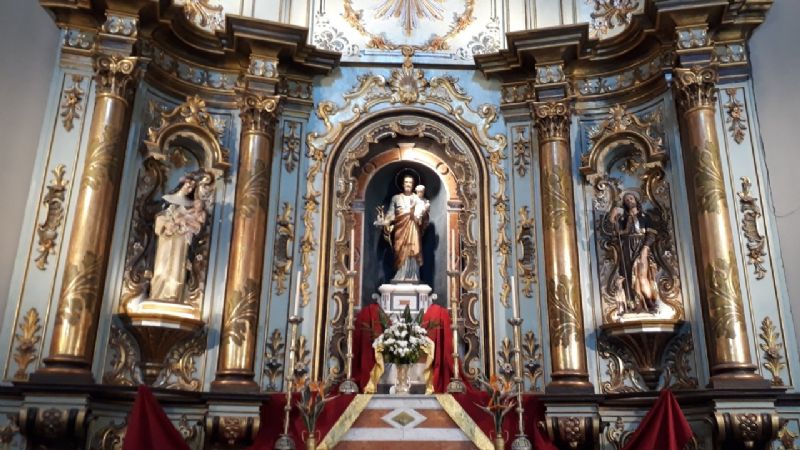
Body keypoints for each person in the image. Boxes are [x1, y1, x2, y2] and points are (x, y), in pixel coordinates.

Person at [150, 172, 212, 302]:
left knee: (178, 267)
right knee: (162, 265)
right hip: (166, 238)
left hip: (182, 239)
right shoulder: (167, 199)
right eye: (187, 185)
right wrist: (167, 224)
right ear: (181, 184)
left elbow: (198, 224)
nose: (188, 189)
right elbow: (159, 218)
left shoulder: (191, 205)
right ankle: (157, 293)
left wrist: (186, 223)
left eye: (191, 188)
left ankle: (174, 295)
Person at [374, 174, 430, 282]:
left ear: (413, 184)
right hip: (400, 230)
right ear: (402, 184)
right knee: (399, 250)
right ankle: (400, 275)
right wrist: (383, 221)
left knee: (413, 250)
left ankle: (413, 276)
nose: (408, 184)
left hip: (413, 228)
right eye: (406, 182)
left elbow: (423, 215)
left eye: (410, 182)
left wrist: (423, 212)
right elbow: (391, 214)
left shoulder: (417, 198)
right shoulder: (396, 198)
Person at [611, 192, 660, 313]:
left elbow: (651, 234)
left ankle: (650, 303)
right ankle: (637, 303)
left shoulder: (645, 217)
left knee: (642, 276)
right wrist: (613, 218)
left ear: (636, 200)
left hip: (641, 246)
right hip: (628, 247)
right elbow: (617, 233)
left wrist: (645, 248)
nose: (629, 201)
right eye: (626, 200)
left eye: (631, 198)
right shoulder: (623, 218)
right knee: (631, 277)